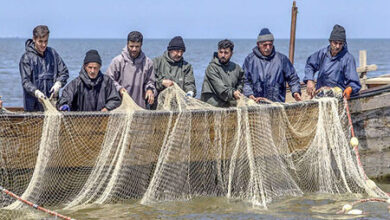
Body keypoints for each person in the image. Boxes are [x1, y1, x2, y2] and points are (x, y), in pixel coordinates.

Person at [243, 28, 301, 103]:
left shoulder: (282, 59)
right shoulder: (249, 60)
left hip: (277, 104)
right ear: (258, 44)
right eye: (265, 45)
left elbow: (292, 78)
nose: (268, 48)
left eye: (270, 44)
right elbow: (244, 80)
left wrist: (295, 91)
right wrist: (249, 94)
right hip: (255, 103)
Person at [304, 24, 361, 99]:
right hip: (320, 94)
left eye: (340, 44)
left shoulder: (348, 59)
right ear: (330, 42)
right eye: (335, 43)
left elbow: (354, 83)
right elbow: (310, 65)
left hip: (338, 97)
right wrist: (309, 80)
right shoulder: (322, 53)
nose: (337, 46)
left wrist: (350, 89)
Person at [19, 25, 69, 111]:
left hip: (52, 103)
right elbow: (25, 82)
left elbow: (64, 72)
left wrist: (58, 83)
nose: (43, 45)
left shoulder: (53, 54)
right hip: (33, 106)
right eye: (40, 41)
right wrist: (36, 92)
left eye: (46, 41)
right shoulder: (26, 58)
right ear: (34, 39)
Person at [106, 31, 156, 109]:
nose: (134, 49)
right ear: (127, 44)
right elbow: (109, 80)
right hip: (121, 107)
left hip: (140, 106)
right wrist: (119, 88)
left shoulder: (148, 62)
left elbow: (150, 81)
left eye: (137, 46)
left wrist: (150, 90)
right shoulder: (117, 61)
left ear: (141, 45)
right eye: (131, 46)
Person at [200, 39, 244, 107]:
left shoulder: (237, 68)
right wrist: (233, 93)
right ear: (218, 52)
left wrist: (238, 90)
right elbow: (221, 88)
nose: (223, 55)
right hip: (212, 106)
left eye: (226, 53)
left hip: (229, 104)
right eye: (221, 52)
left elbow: (242, 81)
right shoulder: (211, 68)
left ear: (231, 53)